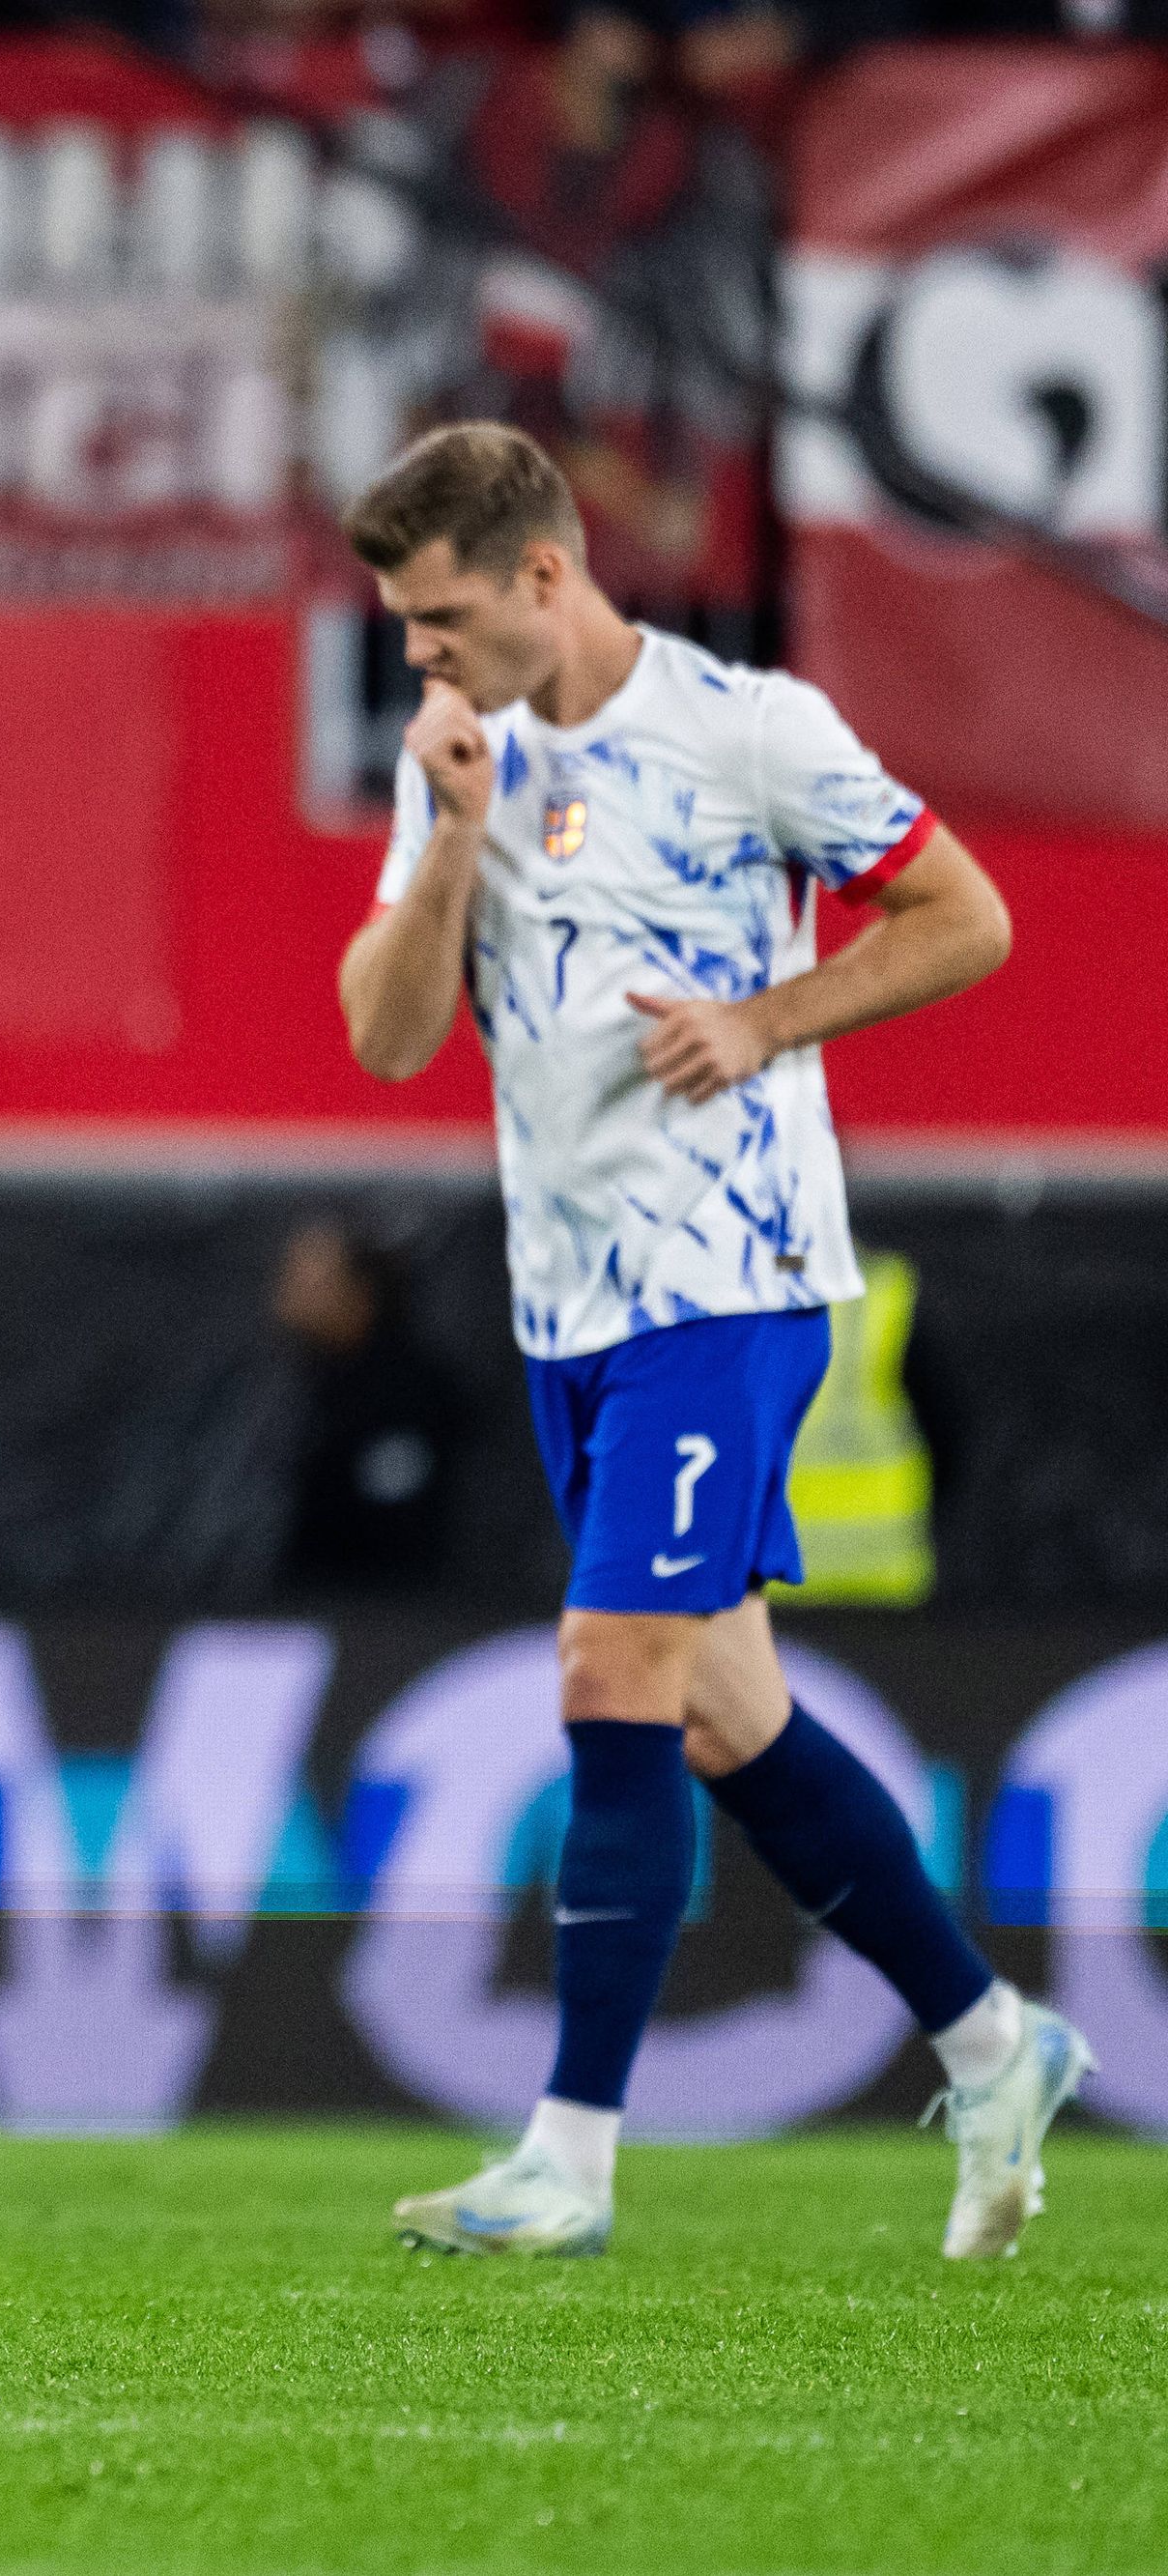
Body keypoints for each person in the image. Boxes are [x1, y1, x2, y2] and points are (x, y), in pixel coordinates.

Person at [335, 421, 1079, 2261]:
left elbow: (967, 917)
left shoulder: (749, 729)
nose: (419, 654)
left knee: (611, 1667)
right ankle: (996, 2042)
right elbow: (388, 1038)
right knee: (729, 1714)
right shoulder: (461, 760)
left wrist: (768, 1017)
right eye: (404, 626)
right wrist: (449, 839)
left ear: (543, 573)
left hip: (728, 1282)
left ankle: (569, 2158)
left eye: (440, 618)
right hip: (568, 1306)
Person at [271, 1215, 471, 1594]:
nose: (289, 1292)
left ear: (362, 1293)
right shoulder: (307, 1383)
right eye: (290, 1274)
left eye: (311, 1279)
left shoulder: (407, 1395)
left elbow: (406, 1533)